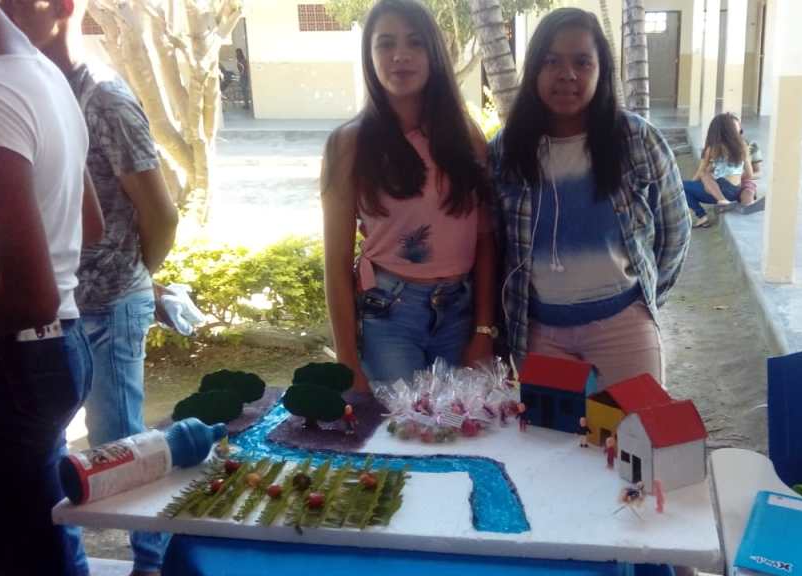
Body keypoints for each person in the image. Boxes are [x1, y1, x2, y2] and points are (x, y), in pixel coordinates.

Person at [0, 1, 180, 573]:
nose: (2, 12)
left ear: (64, 7)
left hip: (108, 307)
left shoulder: (104, 97)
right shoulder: (32, 86)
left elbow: (162, 214)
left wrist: (129, 279)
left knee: (123, 452)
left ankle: (153, 563)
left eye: (16, 2)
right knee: (54, 456)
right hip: (54, 315)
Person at [490, 8, 690, 390]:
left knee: (635, 425)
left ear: (602, 70)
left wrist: (646, 298)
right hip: (541, 336)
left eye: (582, 62)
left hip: (623, 330)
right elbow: (495, 245)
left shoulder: (636, 139)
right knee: (554, 430)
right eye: (551, 61)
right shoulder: (505, 150)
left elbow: (675, 230)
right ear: (534, 70)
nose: (567, 74)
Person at [0, 1, 103, 573]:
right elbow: (89, 223)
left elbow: (30, 295)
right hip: (54, 350)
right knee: (46, 538)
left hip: (7, 364)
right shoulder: (42, 74)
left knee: (24, 555)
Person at [322, 0, 496, 395]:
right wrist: (347, 361)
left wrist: (484, 330)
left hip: (459, 315)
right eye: (385, 44)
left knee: (461, 427)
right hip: (389, 316)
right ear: (369, 56)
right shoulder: (348, 144)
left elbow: (485, 241)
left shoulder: (467, 138)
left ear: (433, 53)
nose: (400, 55)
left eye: (414, 42)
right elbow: (335, 263)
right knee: (400, 430)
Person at [682, 112, 754, 228]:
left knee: (685, 185)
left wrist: (690, 185)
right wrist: (734, 180)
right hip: (735, 191)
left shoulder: (712, 149)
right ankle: (740, 201)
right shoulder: (743, 146)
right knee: (707, 177)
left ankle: (702, 215)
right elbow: (750, 174)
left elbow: (701, 172)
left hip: (719, 191)